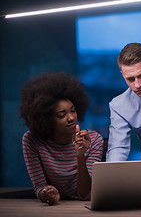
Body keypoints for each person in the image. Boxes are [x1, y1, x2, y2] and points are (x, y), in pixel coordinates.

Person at [20, 72, 104, 205]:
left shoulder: (93, 140)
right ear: (47, 119)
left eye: (73, 110)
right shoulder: (32, 140)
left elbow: (85, 194)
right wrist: (46, 193)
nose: (71, 118)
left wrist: (80, 155)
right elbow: (40, 186)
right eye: (61, 115)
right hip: (54, 209)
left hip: (83, 208)